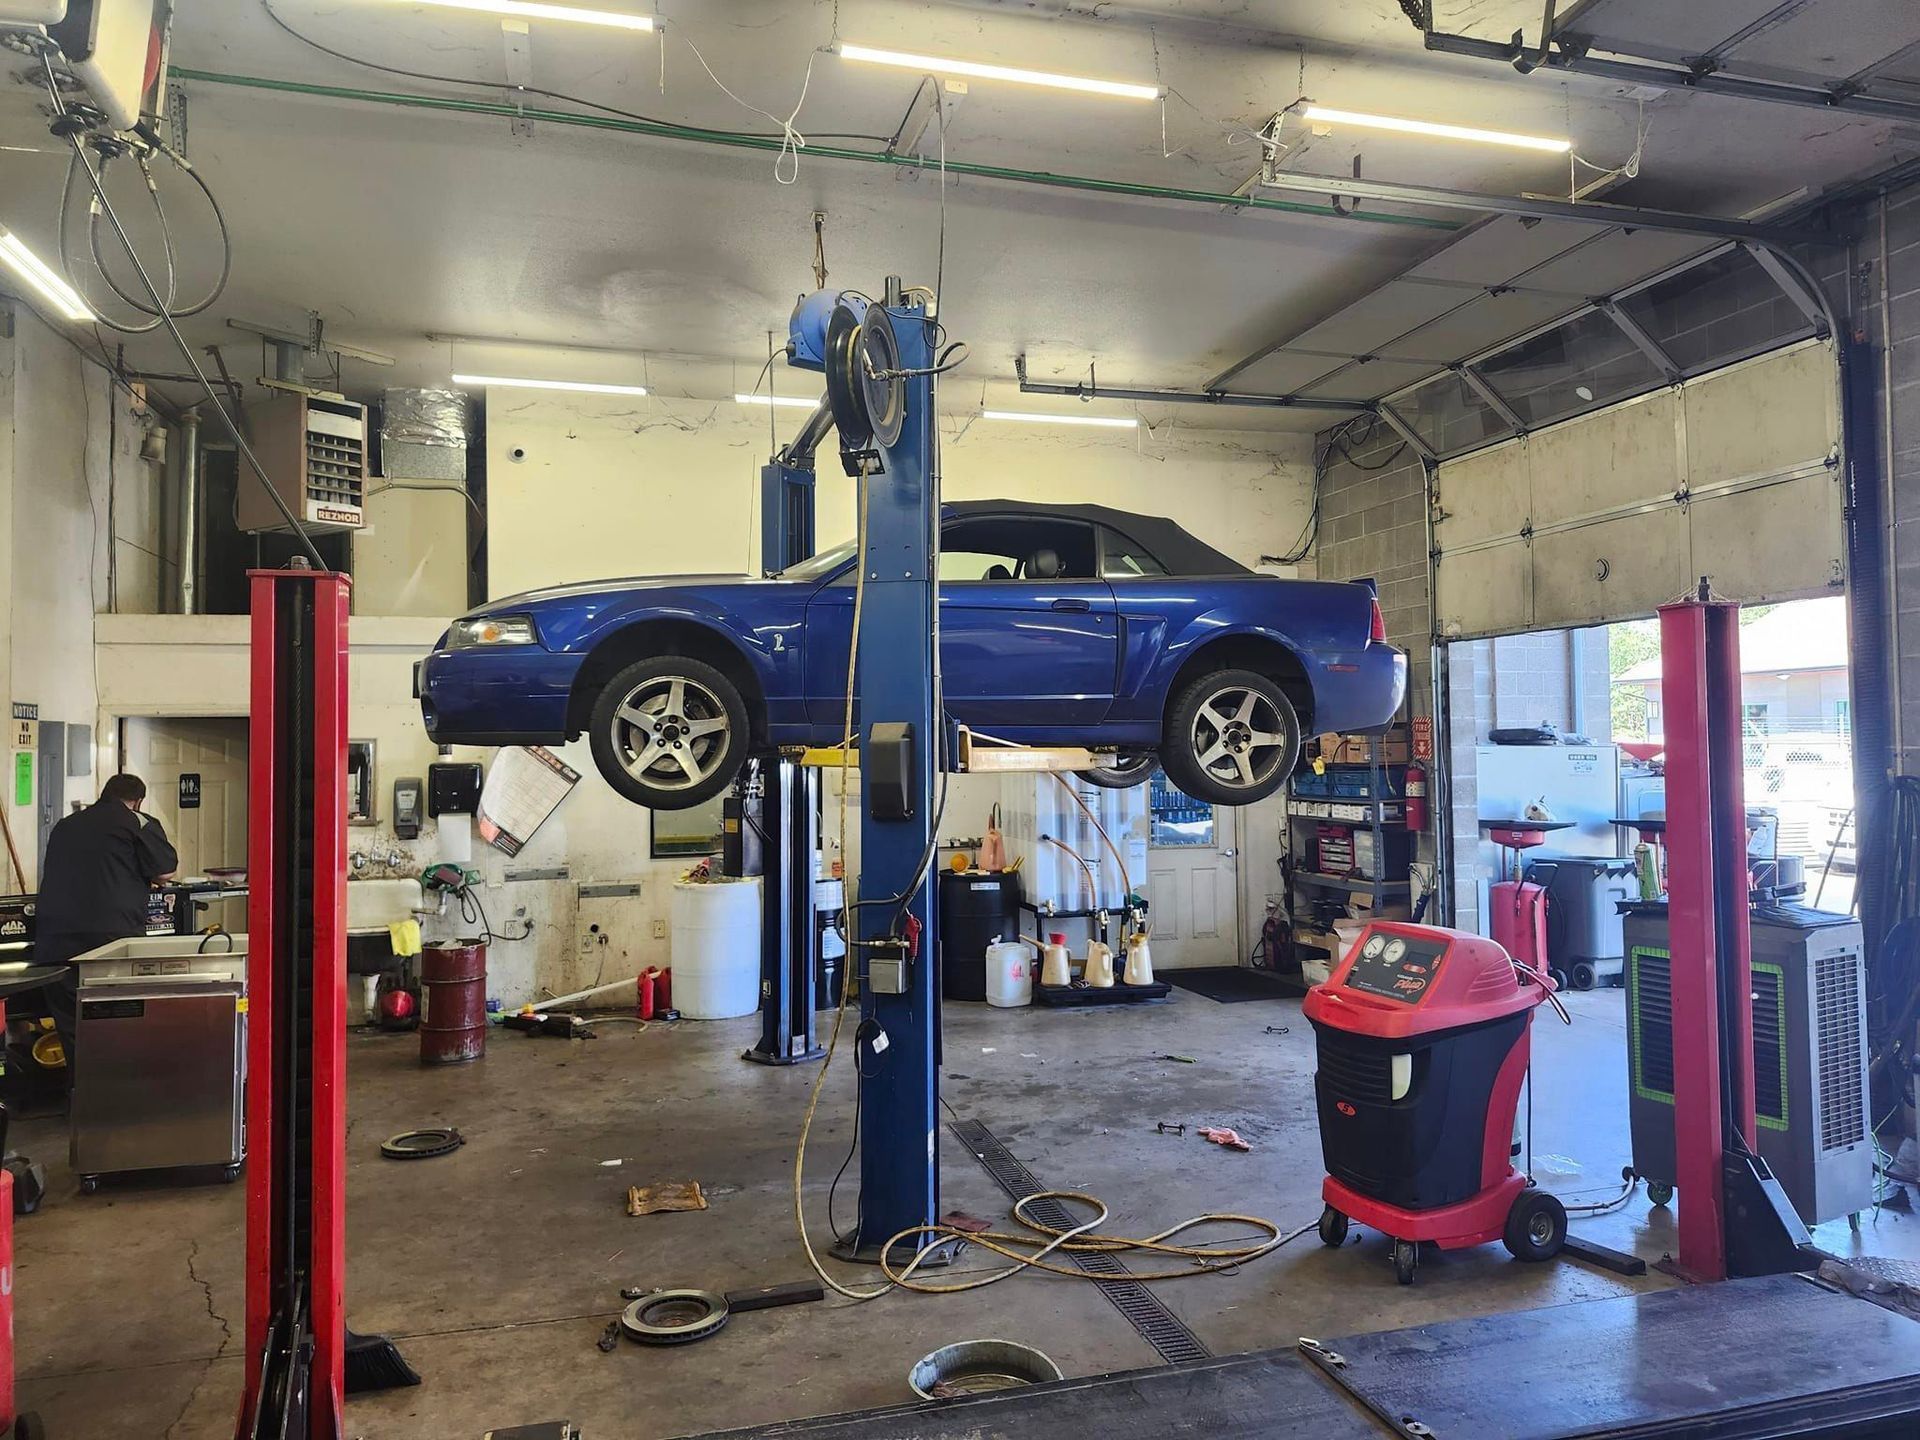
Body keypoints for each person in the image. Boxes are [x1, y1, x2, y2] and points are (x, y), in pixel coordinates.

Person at [34, 773, 178, 1077]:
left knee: (73, 1027)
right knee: (116, 1020)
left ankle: (81, 1101)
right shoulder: (137, 821)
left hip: (55, 941)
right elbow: (166, 872)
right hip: (110, 941)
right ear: (138, 801)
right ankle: (114, 1103)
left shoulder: (65, 824)